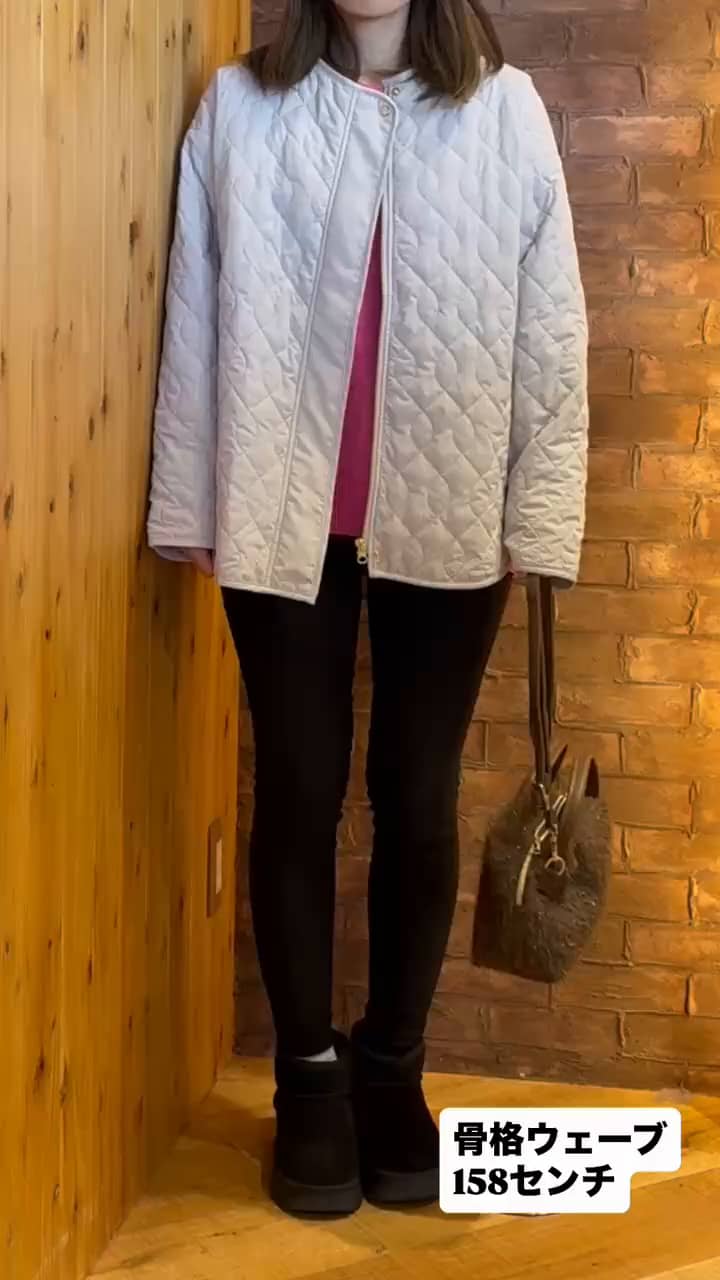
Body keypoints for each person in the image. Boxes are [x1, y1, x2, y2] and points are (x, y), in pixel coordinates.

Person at [147, 0, 588, 1218]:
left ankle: (393, 1064)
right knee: (296, 786)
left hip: (450, 512)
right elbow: (195, 307)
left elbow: (553, 333)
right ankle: (308, 1078)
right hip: (278, 510)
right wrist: (189, 496)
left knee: (417, 794)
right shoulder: (241, 107)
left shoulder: (505, 112)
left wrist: (540, 517)